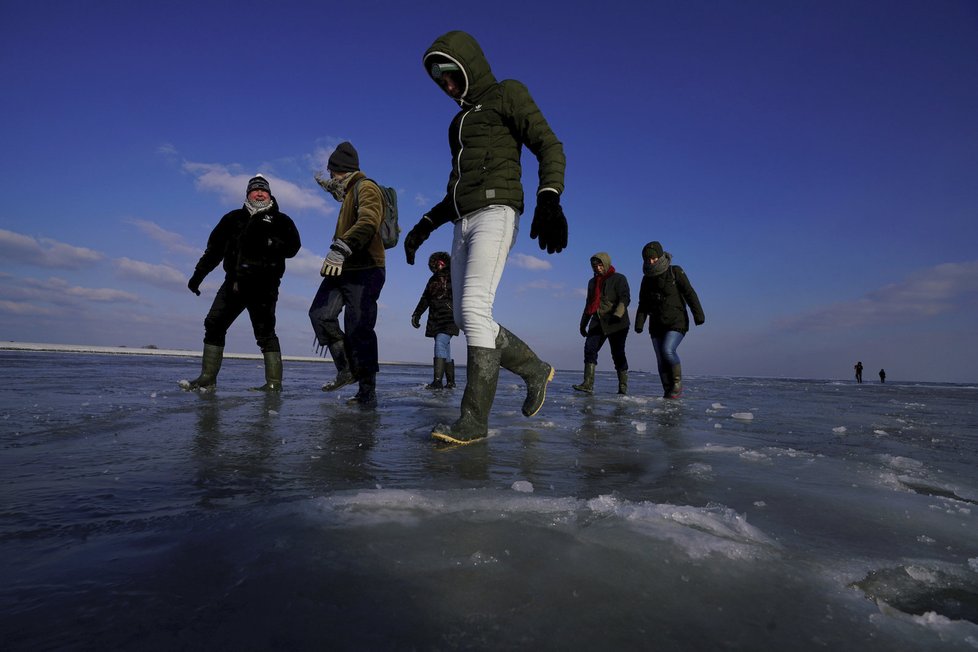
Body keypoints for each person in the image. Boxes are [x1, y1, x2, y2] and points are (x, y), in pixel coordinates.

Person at [403, 30, 568, 445]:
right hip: (463, 221)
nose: (446, 83)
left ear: (468, 64)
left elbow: (549, 145)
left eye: (451, 72)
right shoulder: (458, 123)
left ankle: (474, 420)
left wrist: (549, 198)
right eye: (438, 78)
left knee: (475, 308)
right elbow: (456, 191)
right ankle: (533, 369)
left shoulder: (506, 92)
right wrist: (425, 223)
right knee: (463, 318)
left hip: (497, 212)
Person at [183, 174, 301, 391]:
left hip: (265, 285)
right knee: (214, 323)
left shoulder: (281, 220)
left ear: (269, 194)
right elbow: (214, 251)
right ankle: (207, 378)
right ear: (248, 194)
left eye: (263, 190)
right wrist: (197, 277)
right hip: (234, 284)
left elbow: (293, 248)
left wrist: (271, 242)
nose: (259, 193)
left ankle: (274, 384)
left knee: (265, 333)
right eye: (255, 190)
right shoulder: (232, 218)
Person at [309, 142, 386, 407]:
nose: (330, 178)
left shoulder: (366, 187)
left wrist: (341, 247)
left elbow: (369, 221)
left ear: (341, 170)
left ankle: (367, 391)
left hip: (366, 267)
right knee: (320, 314)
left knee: (359, 328)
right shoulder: (348, 192)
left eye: (332, 173)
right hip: (342, 268)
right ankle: (346, 370)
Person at [634, 241, 705, 399]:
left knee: (667, 350)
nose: (650, 261)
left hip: (676, 321)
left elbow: (689, 293)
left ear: (659, 256)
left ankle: (677, 384)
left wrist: (698, 315)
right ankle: (668, 391)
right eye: (647, 259)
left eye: (653, 258)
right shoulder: (646, 279)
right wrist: (639, 323)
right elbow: (643, 304)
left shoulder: (675, 271)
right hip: (656, 324)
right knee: (660, 358)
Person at [572, 252, 631, 395]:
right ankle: (588, 384)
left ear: (606, 264)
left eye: (600, 265)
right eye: (594, 266)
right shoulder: (592, 283)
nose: (597, 268)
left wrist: (618, 313)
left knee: (617, 354)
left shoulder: (619, 278)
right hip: (597, 321)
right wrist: (583, 324)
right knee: (589, 349)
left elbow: (625, 297)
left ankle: (623, 387)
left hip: (617, 322)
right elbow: (589, 303)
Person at [411, 251, 459, 389]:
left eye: (441, 263)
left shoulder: (454, 277)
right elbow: (425, 298)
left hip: (450, 318)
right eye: (436, 264)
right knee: (445, 349)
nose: (439, 266)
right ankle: (451, 382)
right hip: (436, 318)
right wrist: (417, 314)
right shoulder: (432, 280)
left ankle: (437, 381)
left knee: (440, 342)